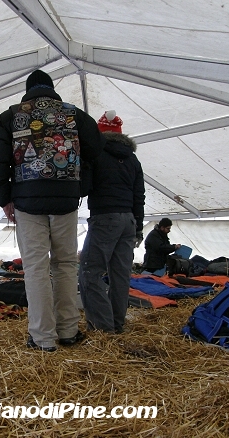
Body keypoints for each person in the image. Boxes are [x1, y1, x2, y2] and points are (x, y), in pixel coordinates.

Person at [0, 69, 105, 352]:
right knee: (65, 265)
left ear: (28, 90)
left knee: (36, 268)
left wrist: (4, 199)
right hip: (65, 201)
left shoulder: (11, 116)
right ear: (52, 90)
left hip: (26, 202)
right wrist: (80, 187)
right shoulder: (74, 114)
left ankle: (42, 338)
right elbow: (96, 151)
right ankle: (68, 331)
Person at [78, 111, 145, 334]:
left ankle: (102, 329)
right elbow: (139, 196)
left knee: (90, 272)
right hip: (128, 220)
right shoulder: (133, 159)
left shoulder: (96, 154)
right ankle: (117, 324)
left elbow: (85, 187)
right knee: (120, 275)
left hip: (104, 217)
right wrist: (138, 228)